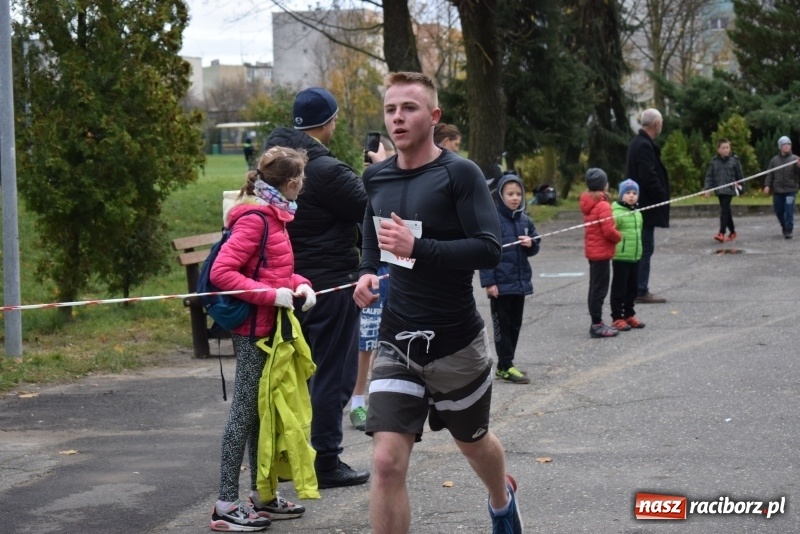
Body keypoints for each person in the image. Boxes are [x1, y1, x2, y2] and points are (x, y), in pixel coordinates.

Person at [354, 71, 522, 534]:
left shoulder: (460, 174)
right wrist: (368, 269)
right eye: (390, 109)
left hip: (455, 343)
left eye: (408, 108)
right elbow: (372, 227)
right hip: (397, 341)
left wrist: (418, 248)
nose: (397, 118)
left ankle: (501, 498)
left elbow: (489, 248)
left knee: (473, 443)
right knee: (387, 461)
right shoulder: (376, 177)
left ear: (434, 115)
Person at [264, 87, 371, 488]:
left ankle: (290, 456)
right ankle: (325, 460)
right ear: (327, 123)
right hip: (328, 285)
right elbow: (369, 207)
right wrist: (375, 171)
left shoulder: (273, 162)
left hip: (284, 285)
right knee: (333, 374)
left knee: (292, 376)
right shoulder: (326, 170)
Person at [209, 146, 315, 532]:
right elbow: (223, 273)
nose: (303, 186)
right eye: (301, 180)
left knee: (261, 414)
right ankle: (225, 504)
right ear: (289, 183)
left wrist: (301, 284)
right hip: (252, 333)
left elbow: (275, 271)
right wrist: (271, 296)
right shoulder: (257, 219)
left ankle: (262, 495)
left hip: (271, 330)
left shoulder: (277, 216)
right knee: (243, 414)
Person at [350, 136, 395, 431]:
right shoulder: (365, 183)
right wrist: (378, 169)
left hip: (396, 271)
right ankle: (357, 401)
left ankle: (378, 399)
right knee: (365, 340)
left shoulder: (400, 182)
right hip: (371, 270)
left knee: (386, 340)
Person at [479, 173, 539, 384]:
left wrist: (531, 243)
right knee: (502, 327)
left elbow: (536, 244)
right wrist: (489, 282)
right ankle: (505, 364)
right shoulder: (493, 220)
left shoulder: (525, 221)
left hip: (519, 284)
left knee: (515, 325)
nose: (515, 198)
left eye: (518, 194)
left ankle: (507, 363)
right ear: (501, 196)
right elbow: (485, 252)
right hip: (500, 286)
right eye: (510, 194)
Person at [625, 108, 670, 304]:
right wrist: (661, 193)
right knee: (645, 248)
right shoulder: (643, 145)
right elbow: (648, 175)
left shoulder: (638, 142)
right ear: (656, 124)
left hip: (642, 205)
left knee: (642, 248)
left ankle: (637, 288)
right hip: (646, 206)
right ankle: (640, 290)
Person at [580, 168, 622, 338]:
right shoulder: (603, 204)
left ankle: (596, 321)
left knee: (594, 287)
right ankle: (596, 324)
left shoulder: (589, 203)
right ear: (604, 185)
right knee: (599, 289)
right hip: (601, 253)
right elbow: (609, 231)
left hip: (593, 252)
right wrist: (619, 236)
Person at [610, 179, 646, 332]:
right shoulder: (616, 213)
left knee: (632, 288)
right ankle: (617, 317)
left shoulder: (637, 213)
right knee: (619, 287)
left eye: (634, 193)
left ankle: (629, 314)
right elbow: (611, 232)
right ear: (621, 195)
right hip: (621, 257)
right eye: (628, 193)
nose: (631, 196)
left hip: (635, 256)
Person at [704, 138, 744, 242]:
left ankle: (721, 233)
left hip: (729, 190)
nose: (726, 150)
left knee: (724, 210)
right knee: (726, 211)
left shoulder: (734, 160)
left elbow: (740, 175)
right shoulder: (714, 162)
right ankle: (733, 231)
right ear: (718, 150)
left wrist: (741, 188)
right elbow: (709, 176)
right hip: (719, 190)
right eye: (723, 148)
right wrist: (707, 188)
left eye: (727, 147)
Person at [764, 135, 800, 239]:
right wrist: (767, 185)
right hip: (778, 190)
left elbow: (798, 174)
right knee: (778, 210)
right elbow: (770, 174)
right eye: (784, 145)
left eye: (788, 144)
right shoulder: (774, 160)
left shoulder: (795, 159)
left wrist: (799, 166)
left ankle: (789, 230)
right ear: (780, 147)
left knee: (789, 210)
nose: (787, 146)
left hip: (790, 190)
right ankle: (784, 225)